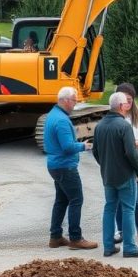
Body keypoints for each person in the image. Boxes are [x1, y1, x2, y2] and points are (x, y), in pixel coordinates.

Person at [92, 92, 138, 258]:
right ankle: (130, 248)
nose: (128, 106)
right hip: (125, 176)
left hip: (108, 176)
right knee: (128, 209)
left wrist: (105, 165)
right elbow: (131, 153)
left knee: (109, 208)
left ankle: (108, 246)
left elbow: (95, 151)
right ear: (121, 106)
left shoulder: (100, 126)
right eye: (126, 104)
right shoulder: (124, 126)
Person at [44, 87, 98, 251]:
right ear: (66, 100)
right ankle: (75, 238)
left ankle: (56, 236)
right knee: (76, 199)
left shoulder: (52, 115)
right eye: (74, 100)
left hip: (55, 165)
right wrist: (84, 146)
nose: (76, 103)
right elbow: (67, 147)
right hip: (65, 166)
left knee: (61, 200)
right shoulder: (61, 120)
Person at [113, 82, 138, 248]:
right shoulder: (115, 117)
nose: (127, 104)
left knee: (137, 200)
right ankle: (121, 230)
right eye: (124, 100)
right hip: (121, 164)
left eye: (130, 100)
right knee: (120, 200)